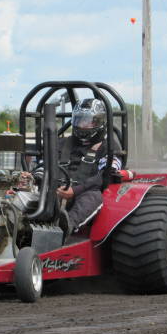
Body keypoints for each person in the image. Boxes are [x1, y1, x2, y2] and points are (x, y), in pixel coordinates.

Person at [55, 98, 129, 236]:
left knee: (93, 197)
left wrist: (74, 191)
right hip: (56, 190)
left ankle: (66, 226)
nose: (82, 125)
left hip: (85, 191)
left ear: (99, 122)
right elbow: (45, 166)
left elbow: (105, 176)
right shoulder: (62, 143)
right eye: (79, 120)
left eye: (87, 121)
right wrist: (35, 176)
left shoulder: (109, 146)